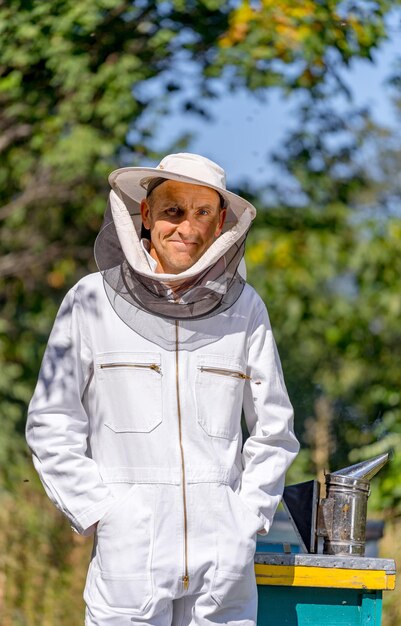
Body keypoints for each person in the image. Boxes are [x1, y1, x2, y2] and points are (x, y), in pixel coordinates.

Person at [26, 153, 299, 626]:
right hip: (130, 555)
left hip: (223, 558)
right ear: (146, 216)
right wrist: (104, 512)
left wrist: (245, 517)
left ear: (220, 226)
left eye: (202, 213)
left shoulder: (245, 309)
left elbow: (274, 428)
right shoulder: (90, 301)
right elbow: (52, 422)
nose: (186, 228)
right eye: (173, 211)